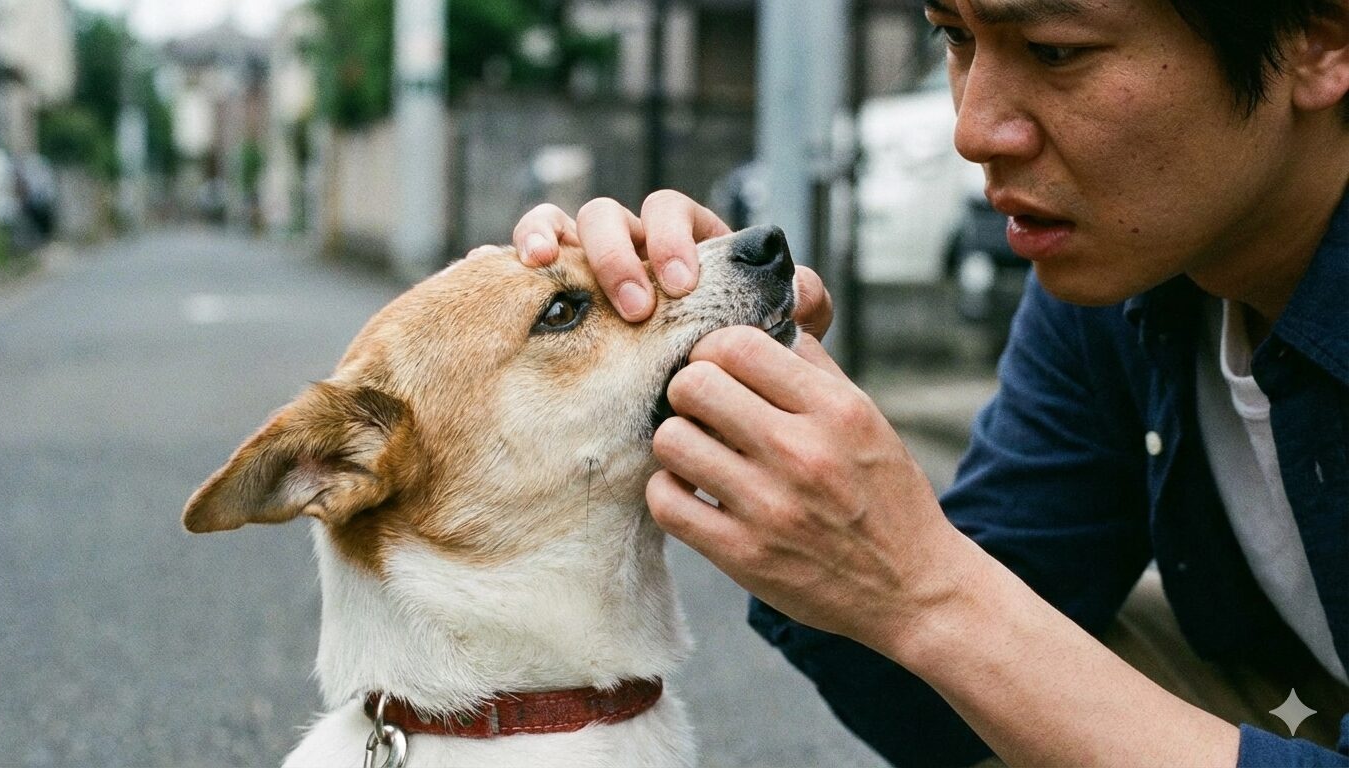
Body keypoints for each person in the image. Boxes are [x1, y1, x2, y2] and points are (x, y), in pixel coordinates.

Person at [512, 0, 1349, 764]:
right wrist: (750, 400)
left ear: (1319, 39)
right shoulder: (1128, 280)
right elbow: (942, 703)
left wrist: (928, 591)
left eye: (1056, 50)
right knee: (1013, 669)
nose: (974, 129)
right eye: (954, 36)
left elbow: (939, 602)